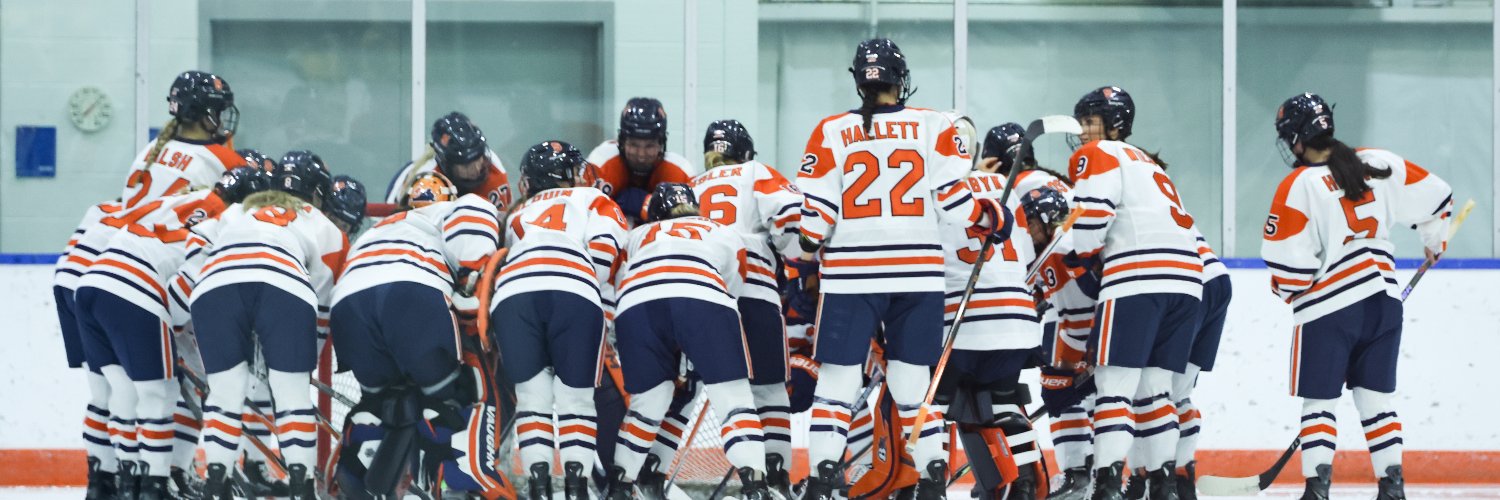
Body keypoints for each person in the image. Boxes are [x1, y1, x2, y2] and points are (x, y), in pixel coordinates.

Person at [792, 38, 1010, 499]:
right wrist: (993, 216)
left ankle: (821, 481)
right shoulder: (934, 125)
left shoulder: (830, 130)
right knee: (913, 385)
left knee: (837, 384)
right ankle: (932, 479)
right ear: (900, 80)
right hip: (918, 276)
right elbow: (954, 206)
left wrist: (807, 246)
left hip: (853, 276)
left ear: (858, 81)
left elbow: (815, 222)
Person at [1262, 92, 1452, 500]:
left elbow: (1288, 269)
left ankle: (1317, 489)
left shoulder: (1299, 184)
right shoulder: (1379, 162)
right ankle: (1392, 487)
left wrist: (1287, 292)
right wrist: (1435, 239)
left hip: (1329, 308)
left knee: (1319, 404)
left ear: (1298, 137)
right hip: (1384, 302)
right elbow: (1438, 198)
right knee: (1377, 402)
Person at [72, 170, 253, 499]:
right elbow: (181, 296)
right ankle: (154, 487)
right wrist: (180, 336)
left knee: (123, 392)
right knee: (162, 393)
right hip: (135, 286)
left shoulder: (181, 199)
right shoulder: (224, 219)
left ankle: (123, 486)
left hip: (91, 282)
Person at [330, 172, 510, 499]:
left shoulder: (378, 228)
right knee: (453, 395)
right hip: (410, 294)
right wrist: (472, 277)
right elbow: (473, 220)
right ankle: (459, 484)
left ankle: (357, 475)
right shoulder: (452, 208)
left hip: (348, 305)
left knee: (379, 401)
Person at [1064, 85, 1204, 500]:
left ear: (1114, 124)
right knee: (1155, 391)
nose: (1083, 131)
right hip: (1186, 282)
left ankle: (1105, 485)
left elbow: (1091, 224)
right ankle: (1163, 485)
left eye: (1090, 121)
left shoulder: (1100, 155)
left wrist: (1072, 254)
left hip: (1137, 278)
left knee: (1114, 389)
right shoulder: (1150, 162)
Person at [186, 151, 348, 499]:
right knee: (292, 395)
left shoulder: (236, 211)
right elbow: (321, 301)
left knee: (225, 394)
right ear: (316, 193)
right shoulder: (323, 224)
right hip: (283, 284)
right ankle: (303, 487)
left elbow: (196, 241)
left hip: (214, 284)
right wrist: (295, 360)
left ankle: (217, 484)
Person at [604, 183, 773, 500]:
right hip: (703, 298)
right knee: (733, 400)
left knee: (648, 403)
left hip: (637, 305)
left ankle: (621, 486)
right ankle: (756, 486)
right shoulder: (721, 230)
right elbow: (734, 282)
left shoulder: (636, 235)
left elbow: (618, 278)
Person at [492, 141, 629, 500]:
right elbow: (604, 251)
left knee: (531, 398)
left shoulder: (519, 212)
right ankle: (576, 488)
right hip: (572, 289)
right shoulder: (593, 199)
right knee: (576, 401)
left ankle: (538, 486)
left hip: (513, 294)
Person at [683, 119, 803, 496]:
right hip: (753, 290)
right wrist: (790, 248)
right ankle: (776, 479)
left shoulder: (689, 186)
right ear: (746, 151)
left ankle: (648, 472)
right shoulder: (756, 172)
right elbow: (791, 222)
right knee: (769, 391)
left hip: (697, 297)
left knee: (710, 392)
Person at [933, 121, 1046, 499]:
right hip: (1016, 321)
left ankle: (926, 485)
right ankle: (1025, 484)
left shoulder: (934, 189)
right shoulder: (1006, 188)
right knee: (1005, 400)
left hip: (961, 324)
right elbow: (1027, 258)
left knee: (931, 405)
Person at [1019, 186, 1101, 500]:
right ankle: (1080, 474)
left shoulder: (1066, 245)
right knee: (1061, 392)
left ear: (1048, 217)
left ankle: (1108, 475)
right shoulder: (1049, 251)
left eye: (1031, 222)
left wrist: (1084, 357)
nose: (1027, 230)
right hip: (1076, 332)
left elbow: (1091, 299)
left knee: (1103, 404)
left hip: (1092, 333)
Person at [52, 198, 124, 498]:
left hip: (67, 284)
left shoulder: (103, 207)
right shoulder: (160, 210)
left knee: (102, 393)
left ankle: (100, 479)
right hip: (97, 289)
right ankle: (124, 476)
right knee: (128, 391)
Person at [122, 70, 248, 209]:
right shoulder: (226, 161)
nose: (222, 122)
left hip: (128, 228)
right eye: (218, 112)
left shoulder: (152, 148)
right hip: (171, 230)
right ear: (206, 115)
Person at [585, 97, 700, 224]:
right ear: (622, 142)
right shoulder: (602, 163)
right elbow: (585, 217)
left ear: (661, 144)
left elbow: (691, 225)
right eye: (634, 145)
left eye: (649, 146)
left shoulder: (679, 171)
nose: (641, 155)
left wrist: (647, 205)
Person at [385, 111, 513, 213]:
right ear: (446, 163)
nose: (476, 168)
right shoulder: (426, 181)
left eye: (478, 158)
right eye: (466, 165)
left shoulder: (493, 163)